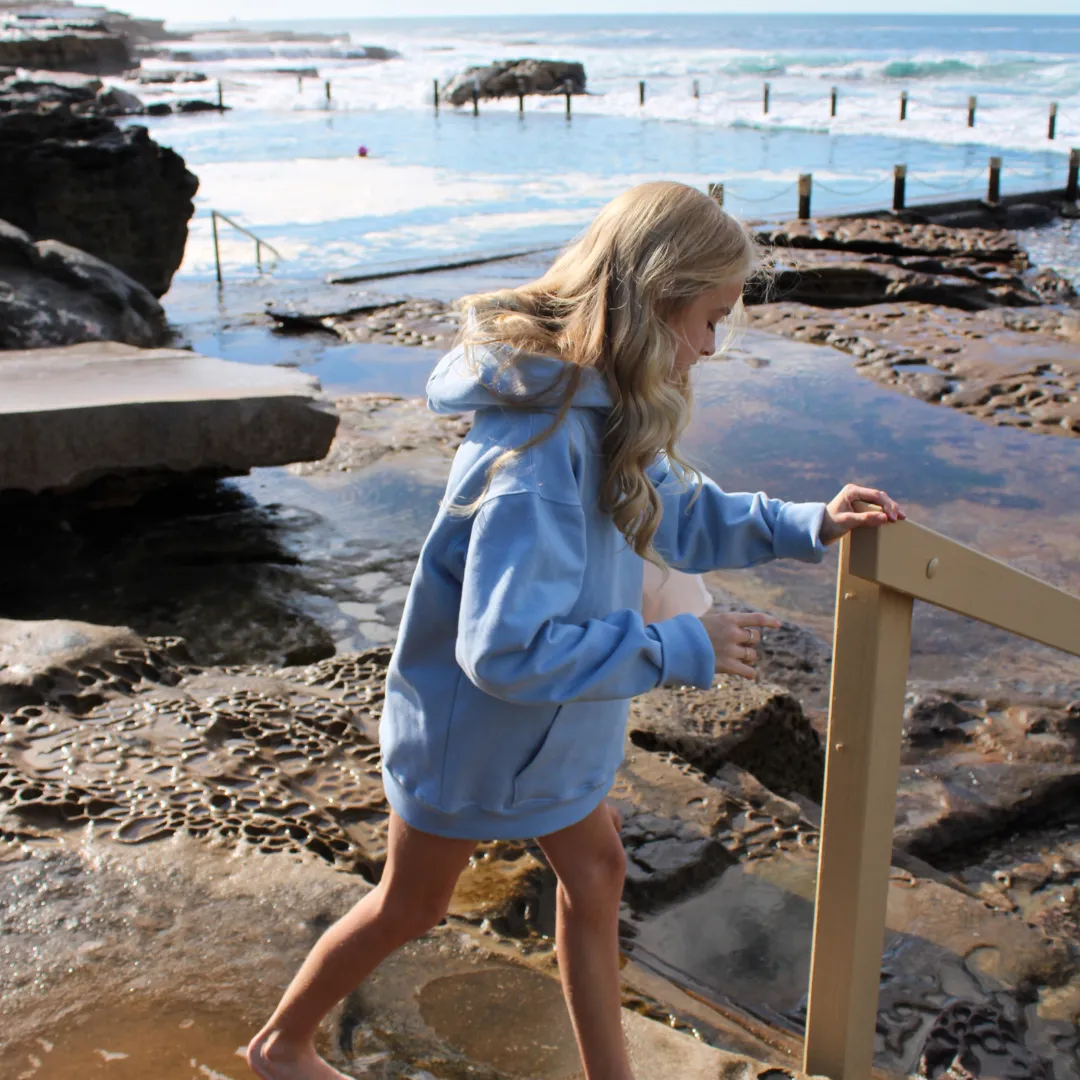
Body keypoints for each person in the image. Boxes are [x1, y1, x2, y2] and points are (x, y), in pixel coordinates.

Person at [247, 181, 904, 1080]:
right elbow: (503, 650)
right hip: (472, 742)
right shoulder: (537, 460)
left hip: (553, 734)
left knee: (596, 879)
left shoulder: (605, 416)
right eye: (709, 320)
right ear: (657, 302)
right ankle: (281, 1045)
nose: (713, 346)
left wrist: (807, 523)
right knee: (411, 905)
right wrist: (681, 649)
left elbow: (683, 512)